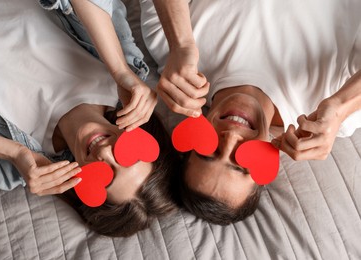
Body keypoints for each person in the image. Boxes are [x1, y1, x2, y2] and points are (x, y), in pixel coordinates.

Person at [140, 0, 361, 225]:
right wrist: (341, 107)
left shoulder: (174, 59)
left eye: (209, 152)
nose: (231, 138)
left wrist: (181, 44)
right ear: (266, 162)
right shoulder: (331, 116)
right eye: (241, 162)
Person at [0, 0, 179, 237]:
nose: (104, 154)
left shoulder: (9, 169)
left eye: (105, 177)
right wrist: (120, 70)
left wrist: (14, 152)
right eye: (126, 156)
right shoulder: (124, 71)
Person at [39, 0, 157, 132]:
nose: (104, 153)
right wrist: (120, 70)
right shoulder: (118, 60)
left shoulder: (29, 141)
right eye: (119, 150)